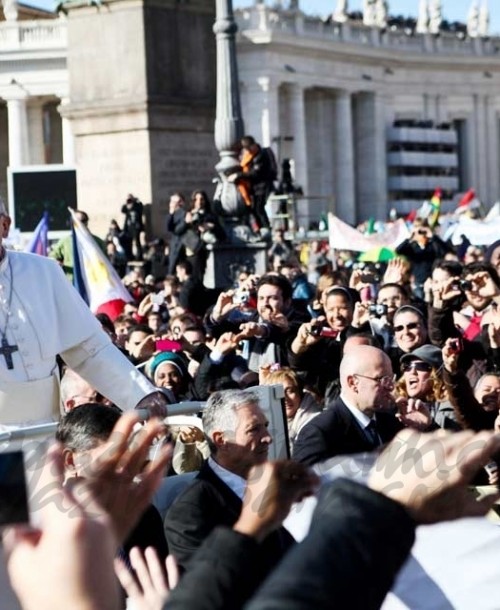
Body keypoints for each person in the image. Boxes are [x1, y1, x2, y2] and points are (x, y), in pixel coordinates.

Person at [0, 199, 168, 428]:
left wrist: (140, 394)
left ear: (5, 226)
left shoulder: (44, 272)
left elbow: (89, 348)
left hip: (44, 433)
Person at [163, 389, 295, 573]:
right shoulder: (190, 512)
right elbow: (208, 588)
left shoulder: (269, 486)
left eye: (265, 426)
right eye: (254, 429)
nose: (267, 437)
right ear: (221, 439)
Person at [292, 345, 402, 465]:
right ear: (353, 383)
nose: (391, 387)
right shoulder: (320, 433)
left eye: (391, 379)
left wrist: (421, 427)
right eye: (382, 380)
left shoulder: (392, 422)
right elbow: (303, 482)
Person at [229, 135, 277, 233]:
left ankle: (265, 228)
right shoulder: (248, 156)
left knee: (259, 208)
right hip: (253, 188)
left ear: (253, 145)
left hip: (262, 186)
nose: (249, 151)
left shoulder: (261, 155)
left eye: (249, 148)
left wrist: (239, 175)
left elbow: (256, 172)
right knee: (253, 209)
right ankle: (260, 228)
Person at [49, 209, 107, 282]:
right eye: (76, 221)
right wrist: (57, 262)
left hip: (93, 283)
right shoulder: (65, 241)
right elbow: (53, 256)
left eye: (83, 221)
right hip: (72, 282)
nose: (79, 223)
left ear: (87, 223)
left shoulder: (98, 242)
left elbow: (106, 263)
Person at [121, 193, 145, 261]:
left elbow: (141, 209)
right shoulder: (127, 206)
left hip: (136, 227)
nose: (130, 201)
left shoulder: (137, 205)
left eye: (131, 199)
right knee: (129, 243)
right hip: (129, 228)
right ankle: (130, 256)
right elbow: (122, 210)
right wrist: (126, 203)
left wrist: (134, 202)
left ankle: (139, 257)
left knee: (137, 243)